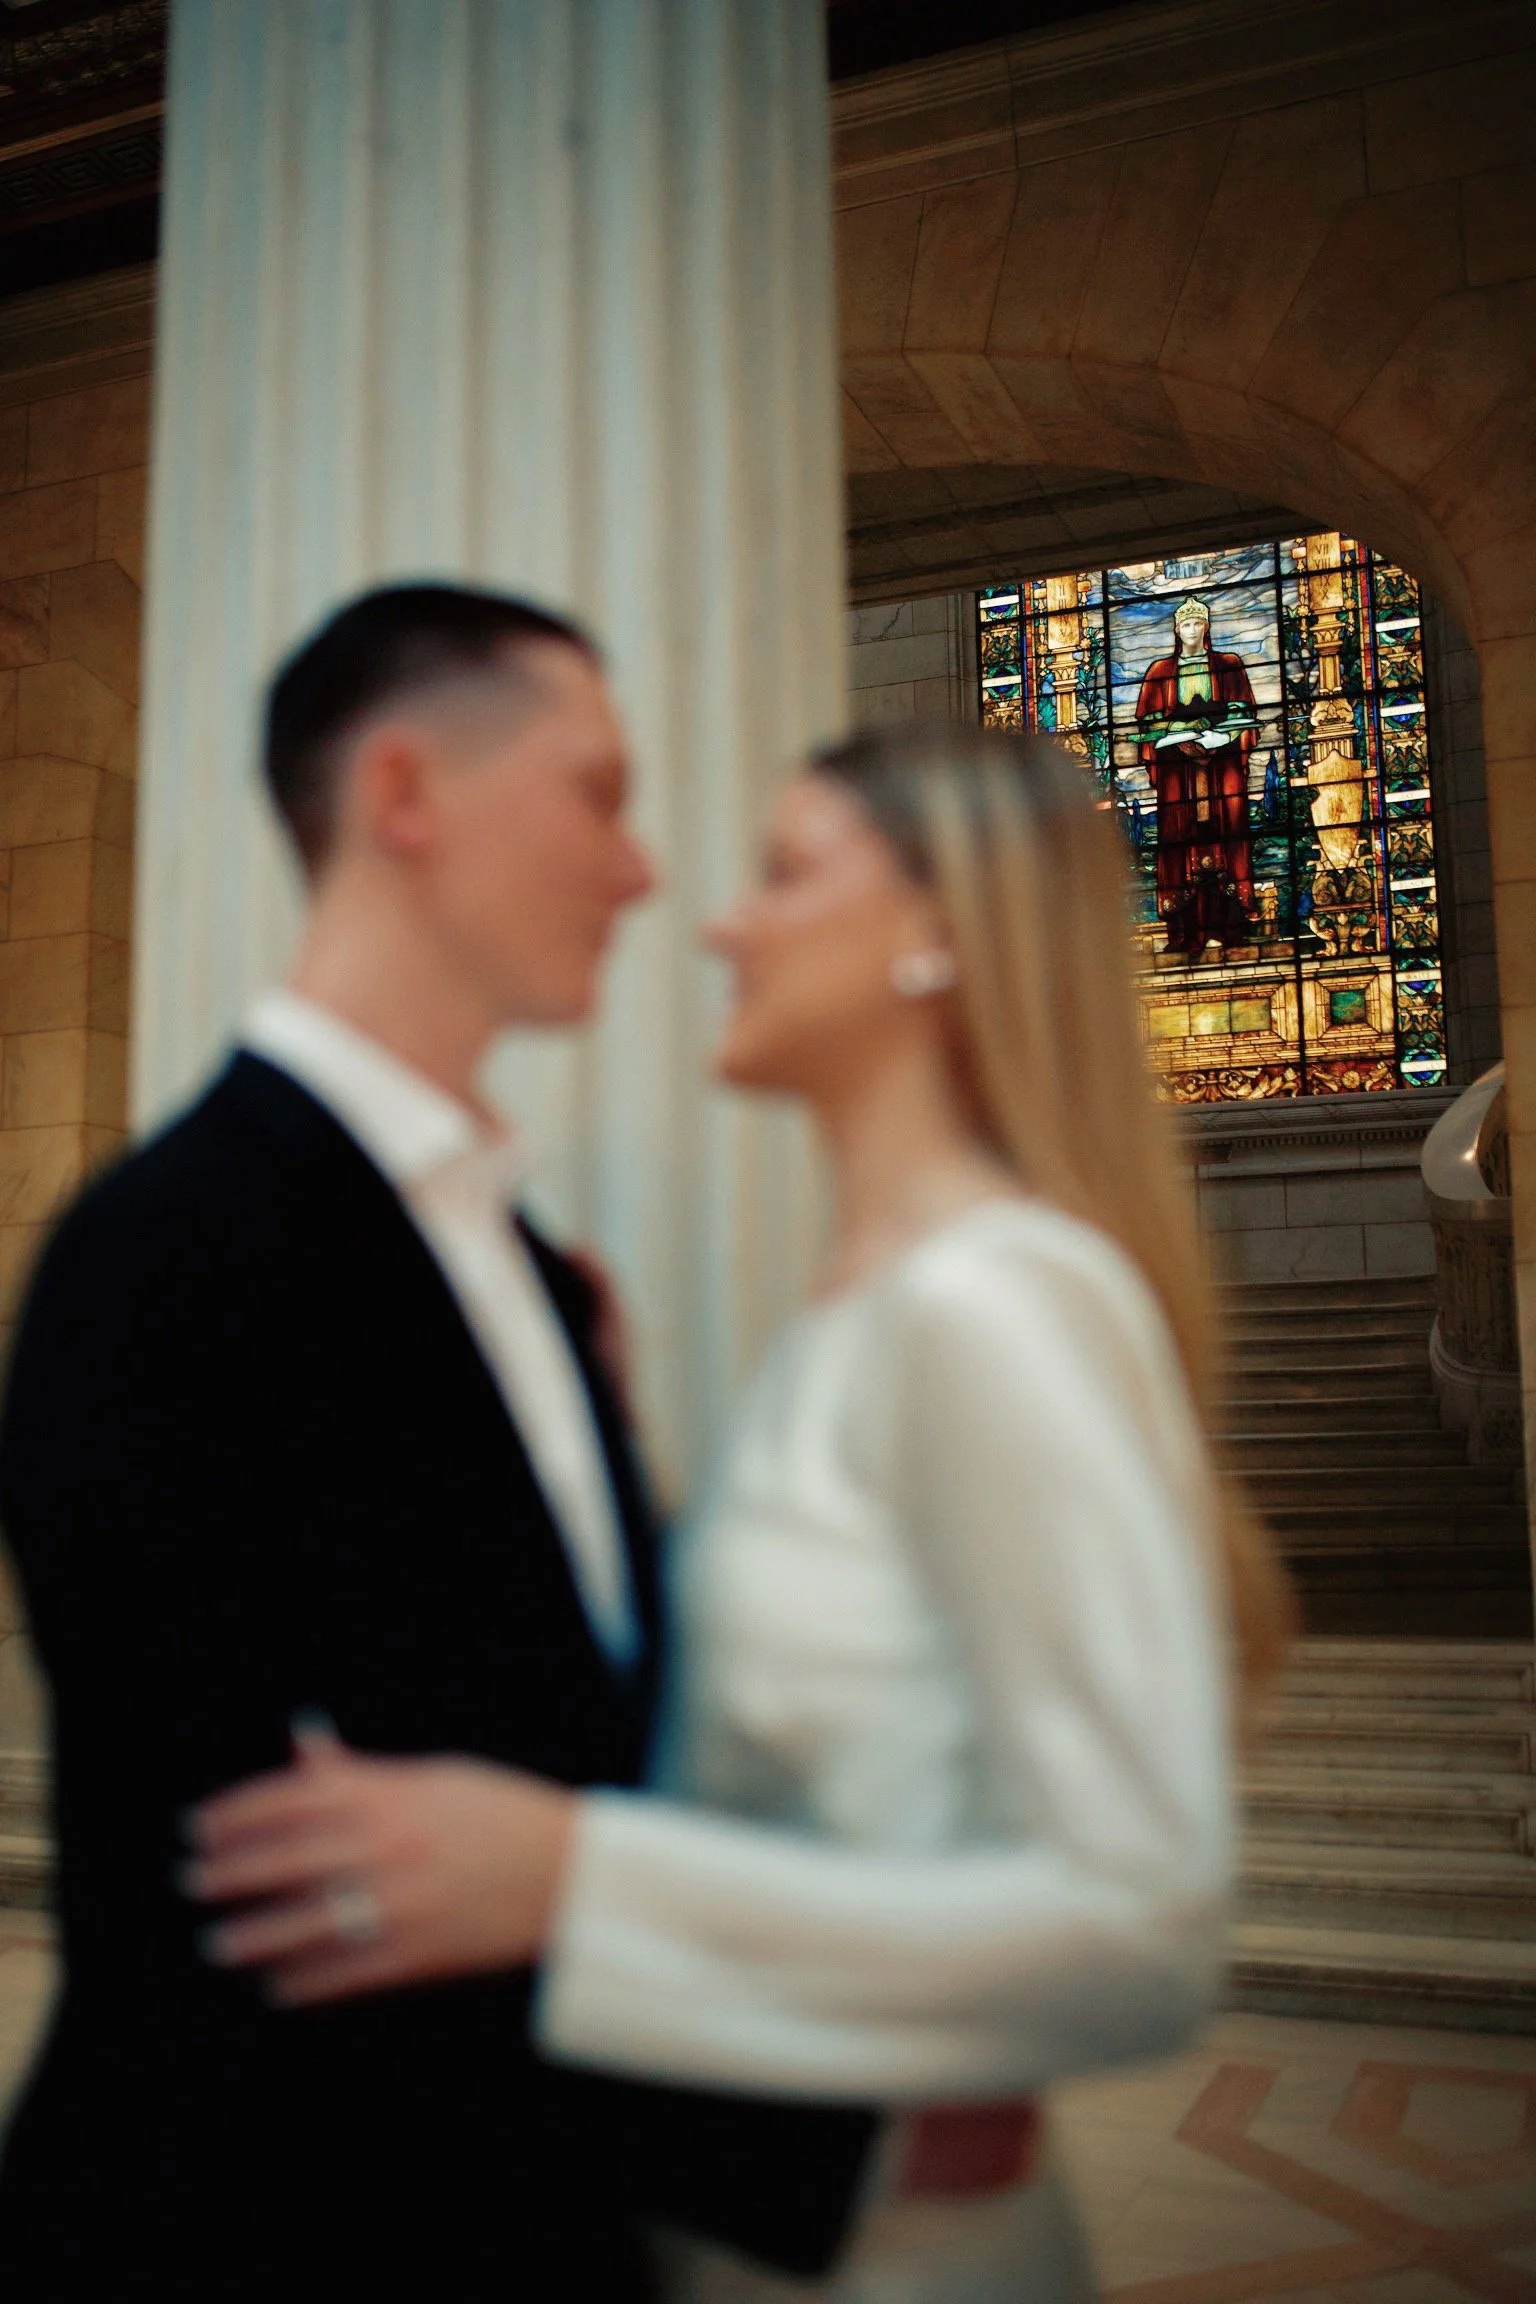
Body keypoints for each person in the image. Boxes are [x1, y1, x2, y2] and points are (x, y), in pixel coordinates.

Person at [187, 722, 1295, 2302]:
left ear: (935, 930)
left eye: (783, 874)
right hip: (739, 2230)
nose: (719, 922)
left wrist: (569, 1877)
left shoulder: (997, 1305)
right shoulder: (849, 1319)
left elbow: (1140, 1926)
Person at [0, 586, 875, 2300]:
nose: (642, 872)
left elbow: (572, 1748)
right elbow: (268, 1896)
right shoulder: (154, 1252)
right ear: (403, 793)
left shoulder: (539, 1276)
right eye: (599, 791)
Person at [1136, 593, 1260, 959]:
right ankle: (1184, 930)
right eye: (1185, 625)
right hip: (1178, 773)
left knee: (1228, 838)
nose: (1191, 630)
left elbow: (1246, 713)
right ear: (1177, 630)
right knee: (1180, 843)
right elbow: (1147, 721)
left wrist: (1221, 739)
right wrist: (1178, 739)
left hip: (1222, 771)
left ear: (1207, 628)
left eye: (1197, 624)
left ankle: (1231, 924)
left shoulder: (1229, 665)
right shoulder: (1160, 672)